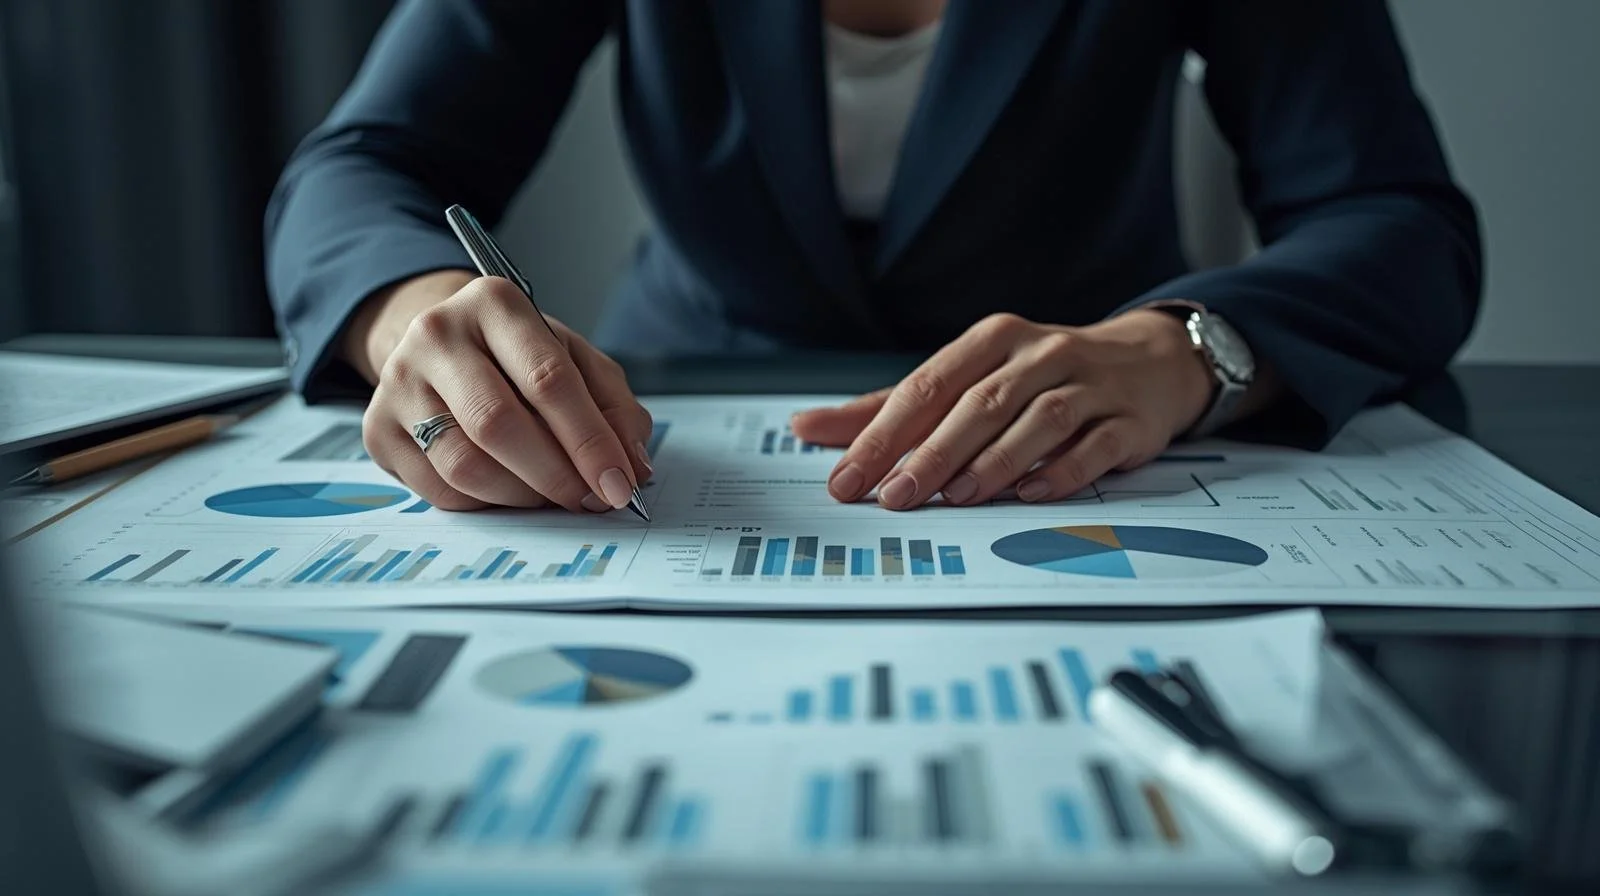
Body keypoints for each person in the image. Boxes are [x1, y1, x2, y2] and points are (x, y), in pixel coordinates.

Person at [265, 0, 1480, 515]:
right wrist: (408, 310)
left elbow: (1394, 217)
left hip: (1096, 443)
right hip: (673, 438)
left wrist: (1188, 347)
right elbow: (362, 163)